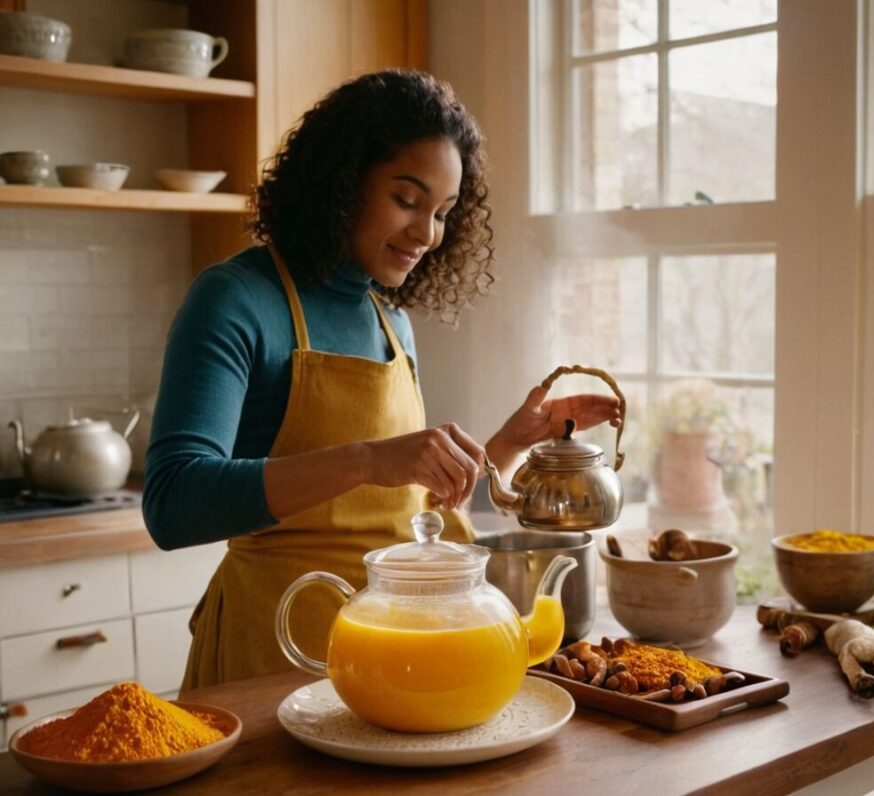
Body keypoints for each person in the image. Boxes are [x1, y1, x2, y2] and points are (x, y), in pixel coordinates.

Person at [143, 69, 620, 689]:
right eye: (407, 199)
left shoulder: (388, 316)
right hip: (273, 655)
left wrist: (508, 443)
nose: (426, 234)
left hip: (392, 656)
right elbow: (173, 503)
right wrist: (368, 458)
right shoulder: (235, 298)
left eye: (443, 212)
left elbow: (399, 506)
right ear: (341, 181)